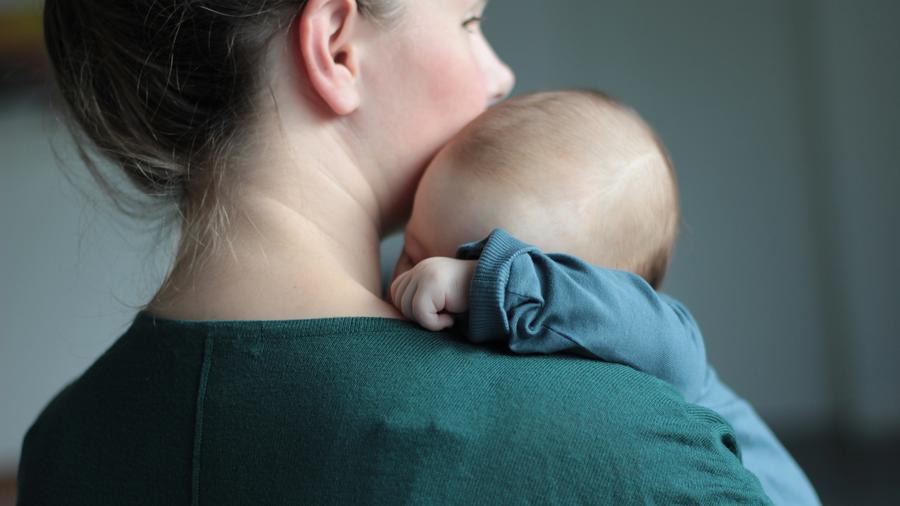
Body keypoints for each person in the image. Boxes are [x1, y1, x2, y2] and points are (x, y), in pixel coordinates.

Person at [19, 1, 771, 504]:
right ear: (337, 47)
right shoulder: (639, 450)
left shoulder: (59, 449)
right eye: (469, 20)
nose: (500, 76)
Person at [389, 90, 820, 505]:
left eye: (467, 274)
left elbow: (659, 332)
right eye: (413, 252)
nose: (427, 288)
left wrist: (489, 284)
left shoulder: (665, 345)